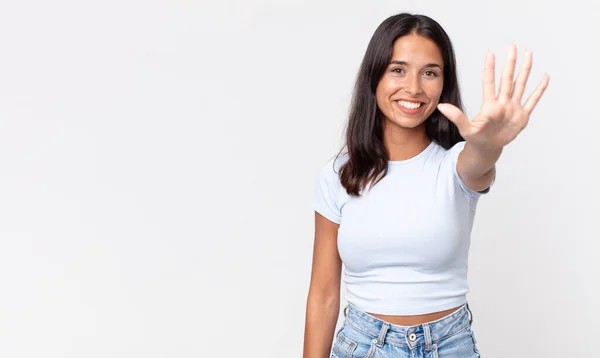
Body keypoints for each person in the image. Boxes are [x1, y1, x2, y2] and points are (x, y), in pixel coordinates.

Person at [303, 13, 549, 358]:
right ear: (374, 75)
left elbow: (480, 160)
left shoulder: (456, 164)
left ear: (443, 83)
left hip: (449, 346)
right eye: (398, 69)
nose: (414, 87)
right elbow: (324, 293)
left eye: (430, 72)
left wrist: (492, 143)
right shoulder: (339, 174)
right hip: (363, 346)